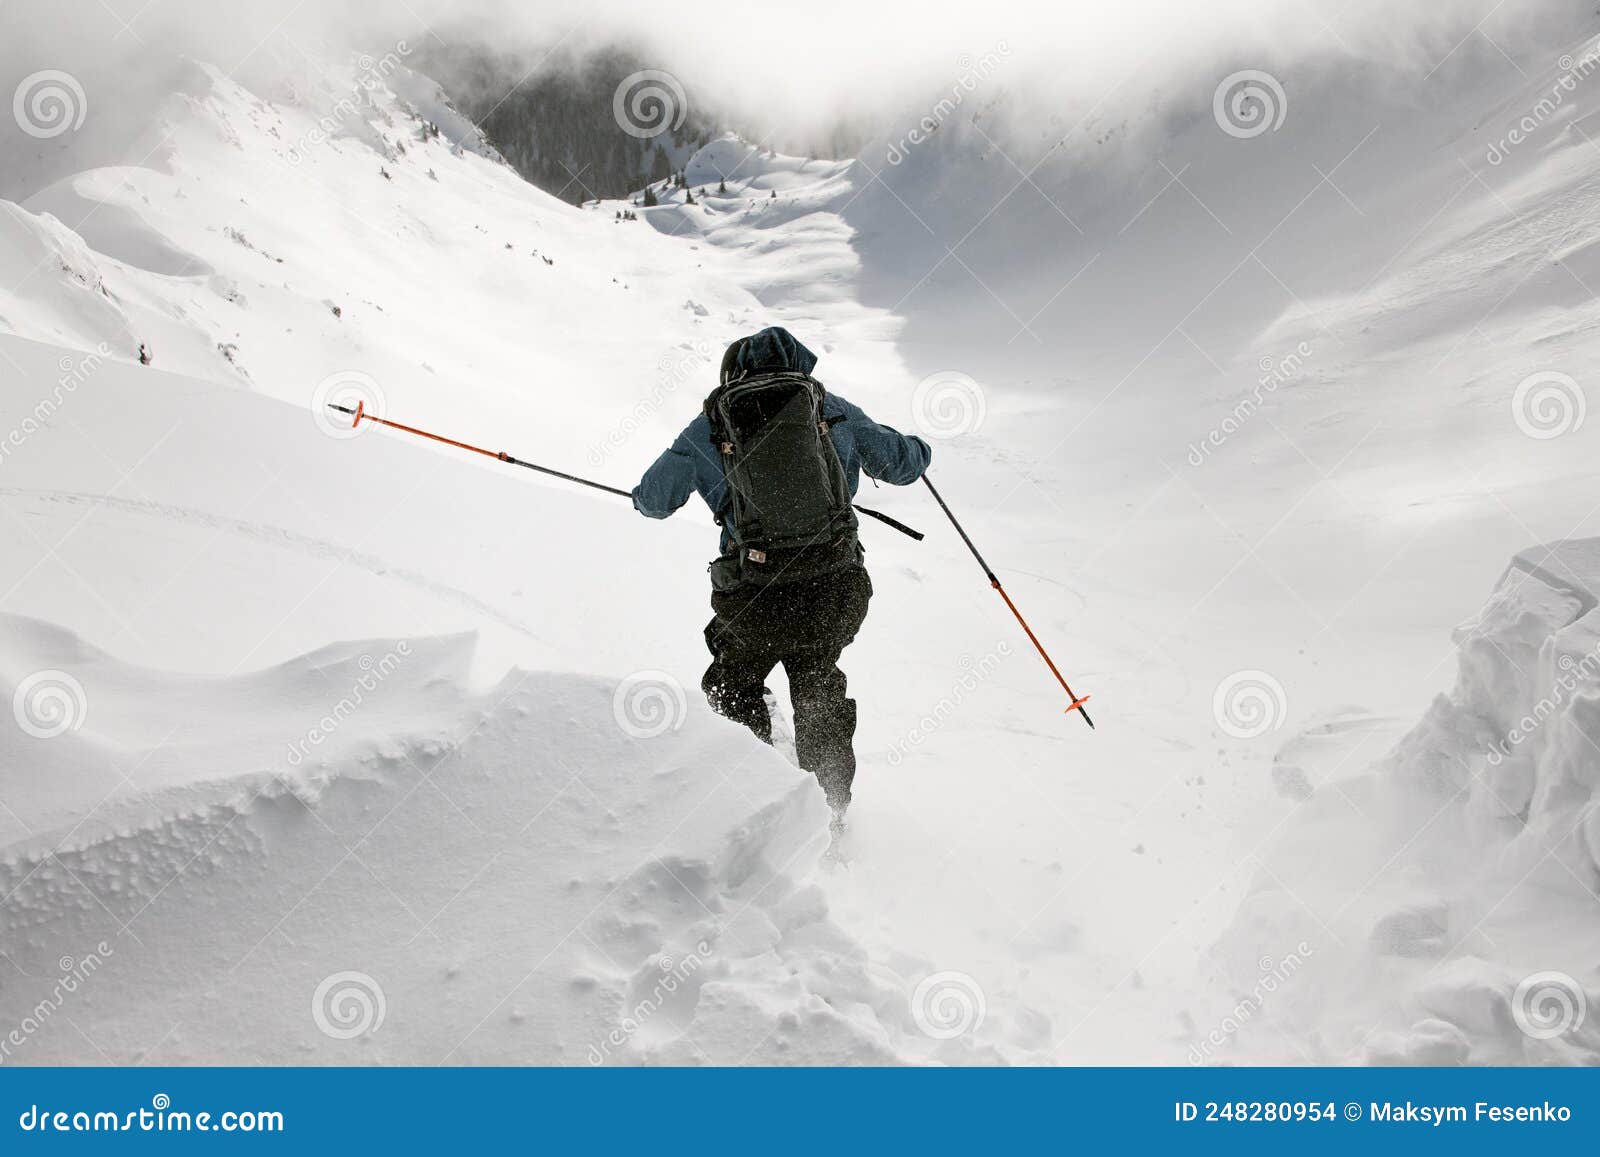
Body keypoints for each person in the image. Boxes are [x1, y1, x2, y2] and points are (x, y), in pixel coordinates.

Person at [631, 327, 931, 830]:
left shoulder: (711, 423)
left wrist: (640, 498)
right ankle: (830, 811)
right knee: (818, 685)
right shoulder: (829, 408)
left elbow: (655, 500)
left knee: (733, 682)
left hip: (755, 594)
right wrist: (920, 450)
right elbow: (901, 465)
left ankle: (751, 801)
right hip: (834, 585)